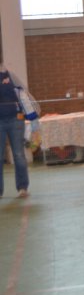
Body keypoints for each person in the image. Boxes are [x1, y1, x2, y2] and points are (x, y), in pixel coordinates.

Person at [0, 60, 37, 198]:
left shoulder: (10, 75)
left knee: (19, 155)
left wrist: (33, 117)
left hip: (16, 120)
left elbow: (24, 95)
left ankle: (22, 187)